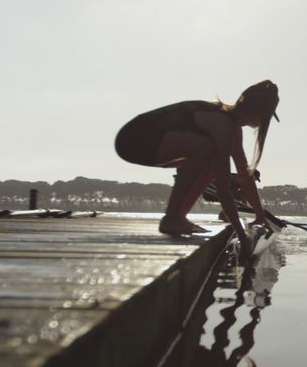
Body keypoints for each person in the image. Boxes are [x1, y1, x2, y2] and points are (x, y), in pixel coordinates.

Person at [114, 80, 279, 252]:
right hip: (134, 140)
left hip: (149, 142)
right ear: (257, 111)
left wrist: (260, 216)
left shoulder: (232, 128)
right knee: (207, 150)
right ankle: (172, 218)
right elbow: (223, 188)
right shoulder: (222, 124)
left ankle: (178, 217)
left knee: (209, 157)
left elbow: (244, 174)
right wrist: (241, 233)